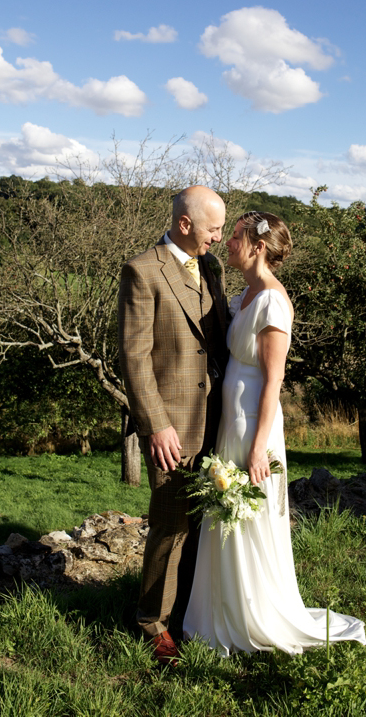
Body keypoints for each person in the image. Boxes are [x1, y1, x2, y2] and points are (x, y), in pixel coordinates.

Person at [183, 211, 366, 656]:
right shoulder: (246, 293)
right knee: (227, 510)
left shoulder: (272, 302)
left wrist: (260, 447)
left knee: (249, 512)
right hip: (233, 418)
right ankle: (223, 606)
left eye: (236, 237)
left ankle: (254, 613)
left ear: (258, 246)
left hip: (254, 423)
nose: (226, 242)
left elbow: (273, 381)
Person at [118, 185, 228, 666]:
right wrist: (156, 425)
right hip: (172, 426)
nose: (219, 239)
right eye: (213, 229)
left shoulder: (212, 267)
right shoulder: (142, 270)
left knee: (205, 523)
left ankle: (190, 613)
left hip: (219, 421)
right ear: (186, 224)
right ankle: (152, 623)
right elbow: (134, 356)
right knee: (171, 523)